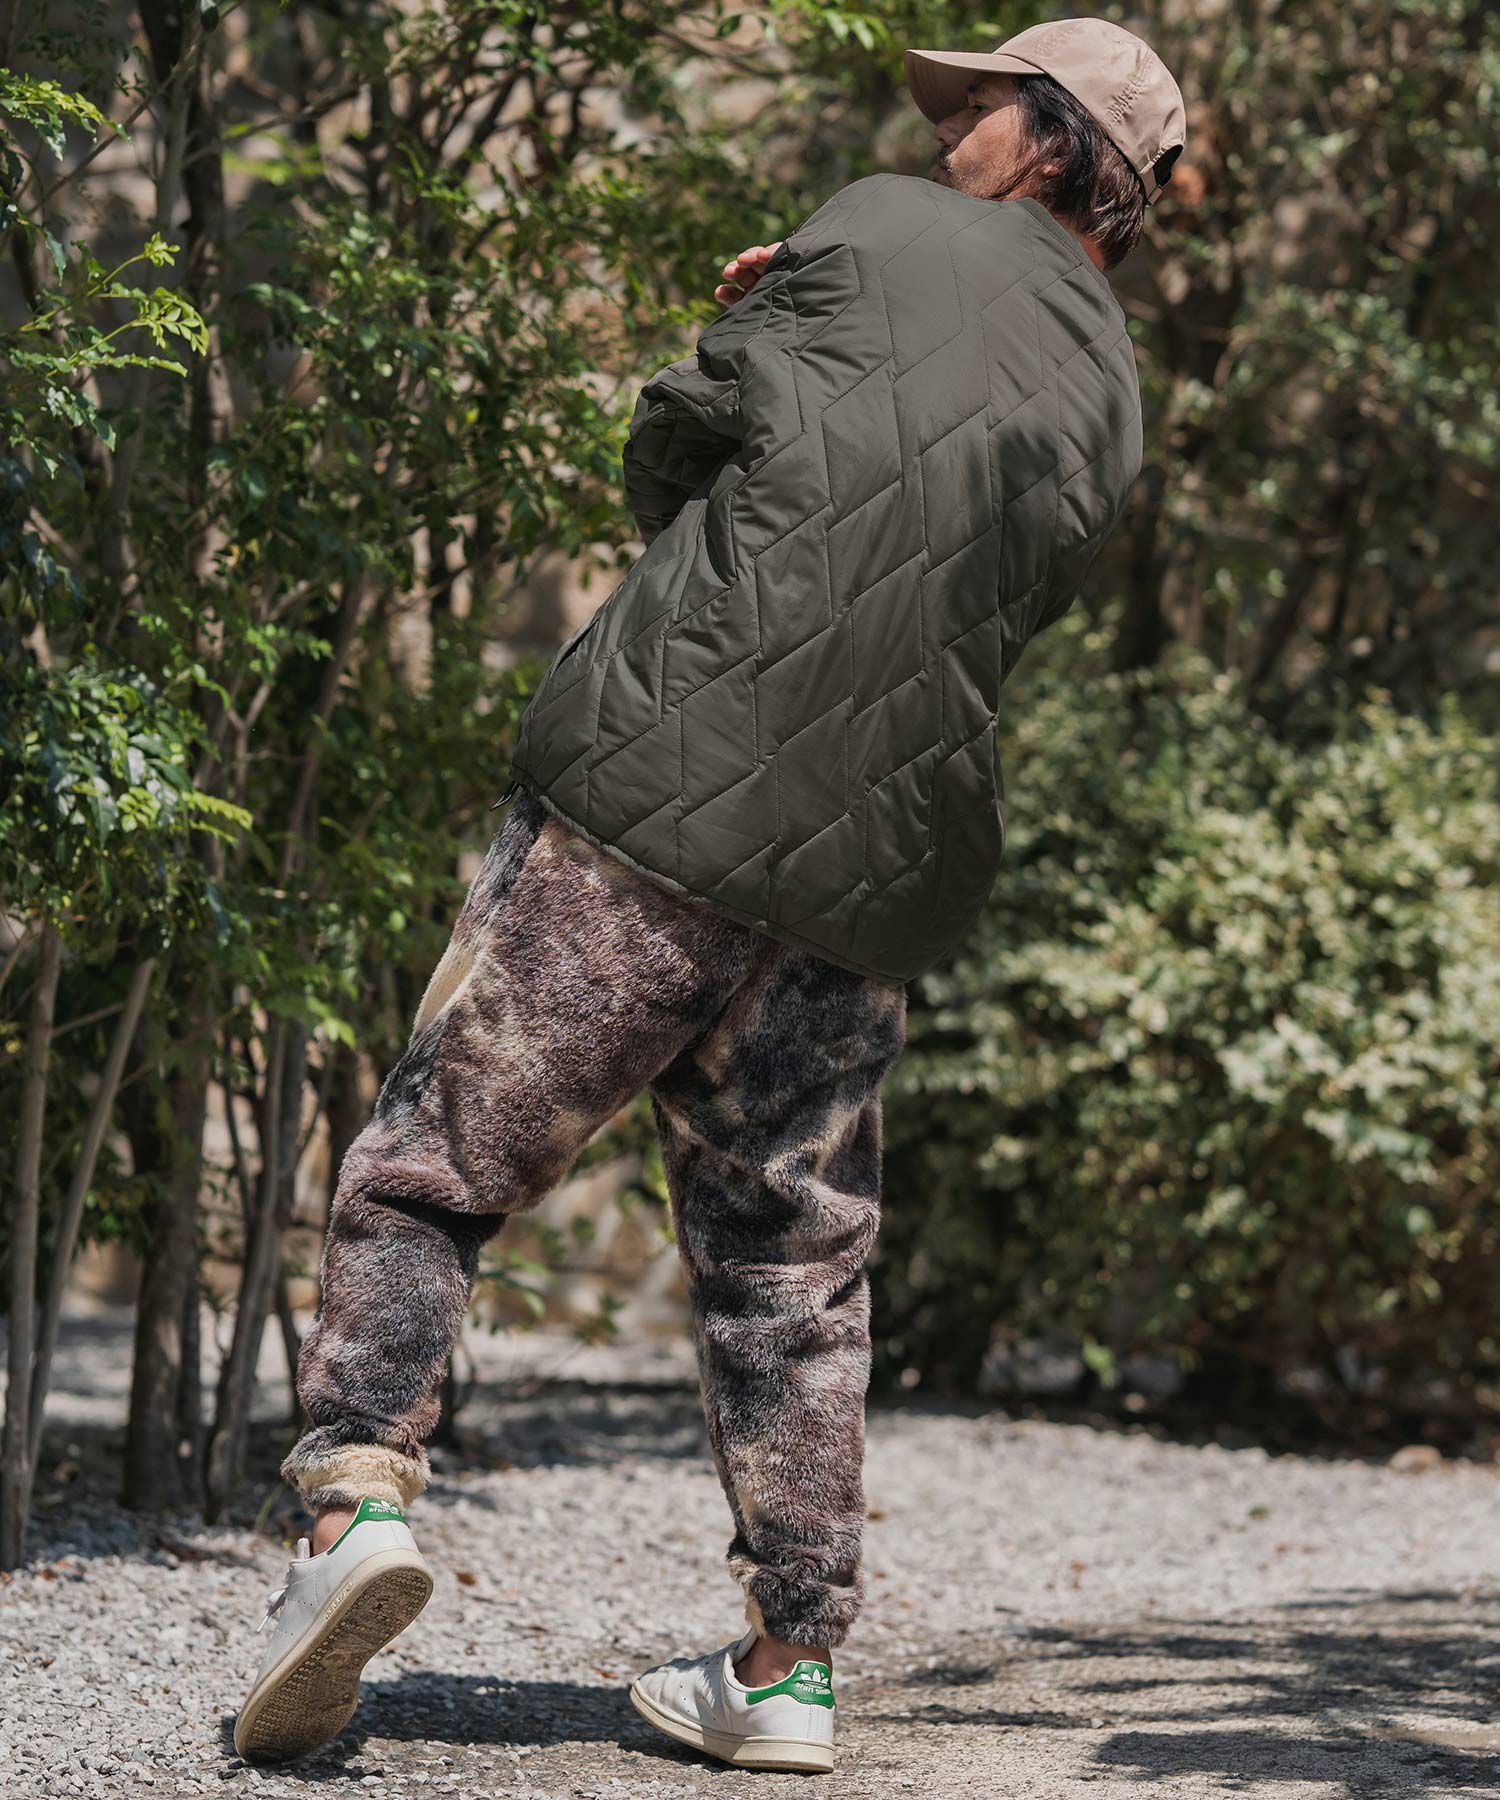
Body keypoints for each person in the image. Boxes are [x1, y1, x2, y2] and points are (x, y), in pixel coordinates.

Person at [234, 16, 1185, 1776]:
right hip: (877, 871)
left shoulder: (876, 220)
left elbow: (679, 457)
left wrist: (750, 317)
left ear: (1056, 140)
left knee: (434, 1168)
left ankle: (353, 1511)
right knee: (795, 1265)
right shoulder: (1117, 391)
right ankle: (790, 1666)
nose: (951, 130)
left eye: (982, 107)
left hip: (660, 793)